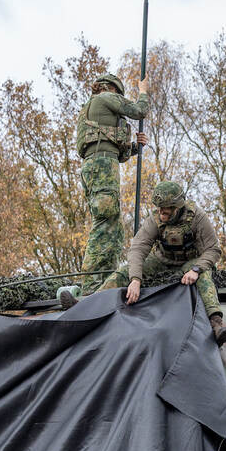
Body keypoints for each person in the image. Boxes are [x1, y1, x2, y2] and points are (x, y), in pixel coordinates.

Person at [57, 72, 149, 305]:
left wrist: (135, 147)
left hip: (100, 165)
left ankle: (103, 282)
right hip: (101, 167)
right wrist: (143, 92)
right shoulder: (105, 98)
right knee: (106, 223)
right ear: (113, 89)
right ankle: (91, 286)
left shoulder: (94, 109)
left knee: (113, 228)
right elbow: (139, 111)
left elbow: (116, 152)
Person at [106, 180, 226, 346]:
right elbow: (138, 247)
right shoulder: (155, 219)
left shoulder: (197, 218)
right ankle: (86, 303)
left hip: (190, 262)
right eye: (159, 209)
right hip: (162, 260)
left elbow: (213, 250)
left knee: (204, 277)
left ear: (177, 208)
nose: (161, 214)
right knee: (124, 272)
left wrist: (196, 269)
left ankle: (216, 322)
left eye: (165, 211)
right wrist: (135, 279)